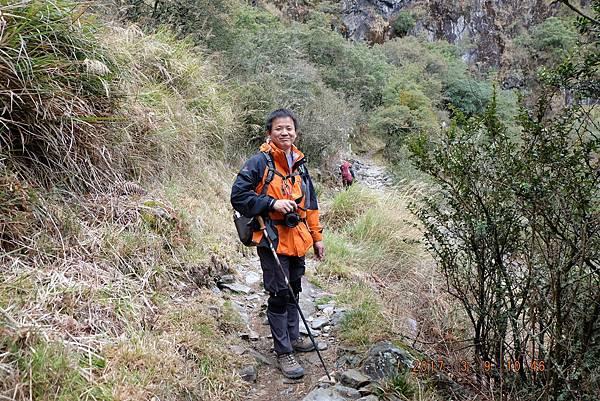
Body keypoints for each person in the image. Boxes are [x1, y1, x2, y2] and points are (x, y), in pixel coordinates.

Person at [230, 108, 325, 379]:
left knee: (294, 287)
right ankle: (283, 352)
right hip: (271, 237)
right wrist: (272, 203)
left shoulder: (300, 163)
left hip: (298, 238)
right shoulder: (259, 162)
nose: (285, 133)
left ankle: (293, 338)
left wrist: (317, 238)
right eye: (278, 129)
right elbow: (238, 196)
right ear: (269, 133)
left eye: (289, 129)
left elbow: (311, 205)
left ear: (296, 132)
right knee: (279, 293)